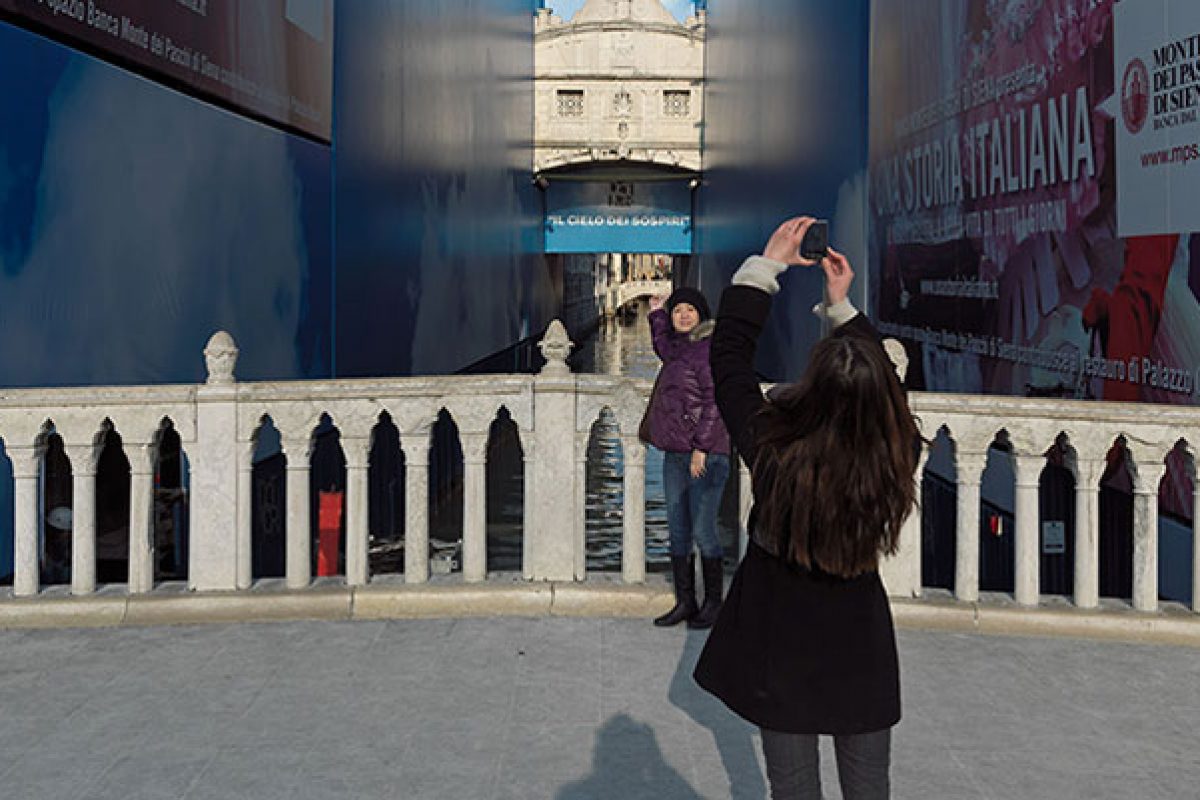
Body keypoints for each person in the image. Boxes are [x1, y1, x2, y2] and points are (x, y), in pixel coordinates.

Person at [693, 217, 920, 799]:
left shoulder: (774, 448)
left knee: (792, 789)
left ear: (812, 387)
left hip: (783, 644)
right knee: (870, 788)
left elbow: (729, 365)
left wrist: (765, 266)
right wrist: (844, 308)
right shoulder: (894, 454)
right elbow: (886, 394)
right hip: (862, 646)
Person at [646, 286, 732, 629]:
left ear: (701, 316)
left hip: (705, 454)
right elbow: (663, 348)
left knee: (702, 529)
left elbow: (717, 401)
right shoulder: (681, 350)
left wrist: (702, 447)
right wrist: (656, 314)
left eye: (690, 311)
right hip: (676, 454)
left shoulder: (708, 351)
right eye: (678, 310)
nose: (683, 315)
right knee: (678, 528)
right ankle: (685, 602)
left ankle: (714, 605)